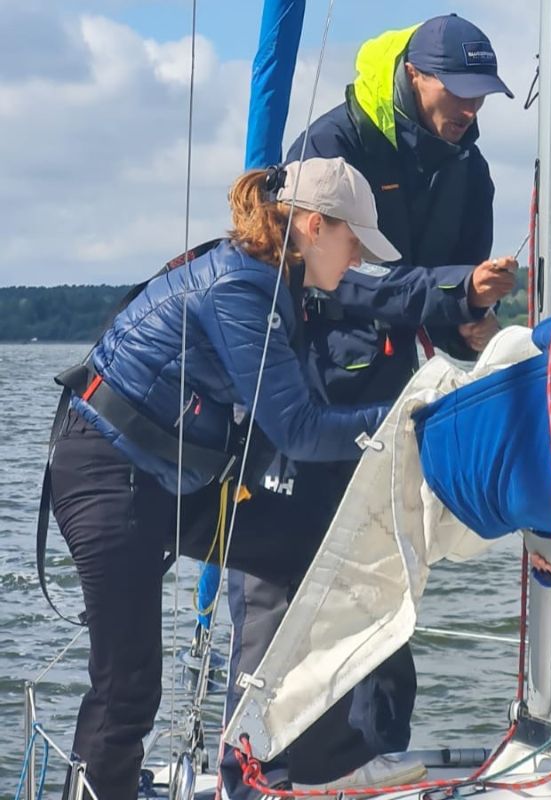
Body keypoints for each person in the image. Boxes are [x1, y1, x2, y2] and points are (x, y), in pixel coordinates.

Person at [219, 13, 517, 796]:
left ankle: (366, 758)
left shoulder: (469, 168)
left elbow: (449, 300)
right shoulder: (331, 144)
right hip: (306, 388)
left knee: (386, 567)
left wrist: (475, 318)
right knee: (280, 582)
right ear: (416, 77)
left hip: (394, 394)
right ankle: (254, 768)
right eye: (460, 92)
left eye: (484, 96)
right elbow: (327, 274)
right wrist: (447, 289)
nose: (471, 110)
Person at [48, 156, 407, 800]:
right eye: (355, 243)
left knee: (310, 550)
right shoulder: (244, 288)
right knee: (128, 681)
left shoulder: (268, 278)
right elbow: (296, 426)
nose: (358, 261)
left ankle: (314, 760)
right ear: (315, 227)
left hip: (162, 475)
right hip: (106, 471)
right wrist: (410, 418)